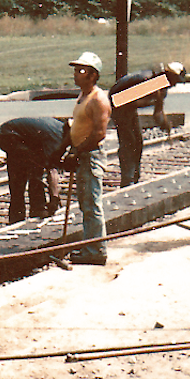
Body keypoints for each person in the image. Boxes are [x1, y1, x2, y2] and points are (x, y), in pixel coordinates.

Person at [59, 52, 112, 265]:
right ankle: (90, 245)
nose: (75, 74)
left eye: (81, 71)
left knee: (92, 203)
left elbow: (99, 133)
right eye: (75, 70)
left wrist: (78, 150)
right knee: (85, 203)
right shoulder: (82, 96)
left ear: (92, 75)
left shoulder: (98, 99)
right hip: (82, 154)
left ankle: (97, 250)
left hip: (91, 156)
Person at [109, 62, 186, 186]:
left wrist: (165, 123)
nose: (175, 84)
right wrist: (149, 100)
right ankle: (128, 179)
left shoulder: (160, 86)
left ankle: (134, 176)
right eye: (175, 80)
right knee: (129, 142)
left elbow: (158, 112)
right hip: (119, 104)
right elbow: (121, 100)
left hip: (128, 108)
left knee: (138, 141)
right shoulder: (151, 82)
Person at [0, 117, 66, 223]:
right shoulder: (57, 137)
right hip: (10, 136)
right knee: (23, 174)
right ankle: (25, 214)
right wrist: (55, 197)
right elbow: (52, 169)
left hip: (12, 134)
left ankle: (35, 209)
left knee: (35, 168)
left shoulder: (59, 129)